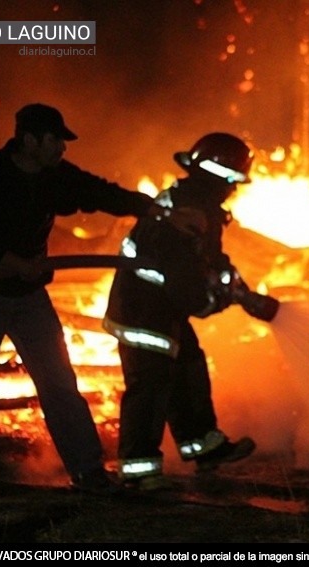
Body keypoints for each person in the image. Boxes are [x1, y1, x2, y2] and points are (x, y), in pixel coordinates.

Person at [0, 103, 205, 499]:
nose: (62, 149)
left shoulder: (54, 177)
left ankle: (88, 472)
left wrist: (156, 210)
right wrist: (11, 262)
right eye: (55, 140)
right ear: (29, 139)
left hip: (29, 297)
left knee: (61, 385)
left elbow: (100, 192)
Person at [103, 132, 270, 490]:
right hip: (144, 312)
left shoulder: (197, 203)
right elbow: (187, 288)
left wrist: (240, 290)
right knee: (150, 387)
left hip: (162, 308)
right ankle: (138, 471)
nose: (234, 190)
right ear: (220, 177)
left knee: (188, 368)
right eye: (232, 181)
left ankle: (204, 447)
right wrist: (215, 302)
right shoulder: (188, 212)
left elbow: (210, 260)